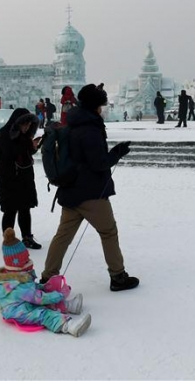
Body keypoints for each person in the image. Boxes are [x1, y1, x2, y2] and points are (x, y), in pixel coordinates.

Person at [41, 84, 139, 292]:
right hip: (91, 192)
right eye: (101, 105)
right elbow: (98, 163)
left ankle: (48, 277)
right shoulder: (90, 129)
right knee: (108, 231)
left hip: (71, 189)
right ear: (95, 106)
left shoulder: (74, 124)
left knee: (63, 236)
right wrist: (117, 153)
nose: (102, 109)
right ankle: (118, 276)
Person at [0, 228, 91, 337]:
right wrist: (60, 295)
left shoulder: (16, 279)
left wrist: (43, 286)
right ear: (18, 264)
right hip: (18, 313)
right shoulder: (19, 287)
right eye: (26, 260)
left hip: (23, 303)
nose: (29, 261)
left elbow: (31, 289)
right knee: (44, 313)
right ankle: (69, 326)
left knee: (46, 299)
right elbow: (40, 298)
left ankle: (70, 306)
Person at [0, 108, 42, 249]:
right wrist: (27, 144)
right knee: (10, 210)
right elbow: (11, 153)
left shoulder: (25, 136)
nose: (26, 127)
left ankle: (27, 237)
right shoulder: (5, 133)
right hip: (9, 178)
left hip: (24, 177)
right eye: (24, 124)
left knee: (25, 208)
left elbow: (26, 153)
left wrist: (33, 146)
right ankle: (8, 239)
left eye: (28, 124)